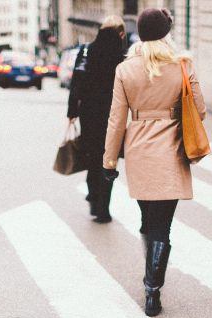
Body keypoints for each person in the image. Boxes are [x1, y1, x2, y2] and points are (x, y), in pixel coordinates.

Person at [102, 7, 205, 317]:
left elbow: (116, 119)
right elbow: (199, 109)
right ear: (165, 33)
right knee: (163, 226)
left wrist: (109, 162)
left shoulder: (125, 69)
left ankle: (151, 283)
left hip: (139, 153)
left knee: (148, 222)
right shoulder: (182, 66)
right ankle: (152, 289)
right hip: (172, 152)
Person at [67, 15, 126, 223]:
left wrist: (72, 111)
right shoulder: (121, 57)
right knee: (109, 161)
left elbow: (77, 82)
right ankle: (104, 209)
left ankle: (93, 198)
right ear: (120, 33)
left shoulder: (85, 51)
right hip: (113, 116)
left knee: (93, 157)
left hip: (89, 114)